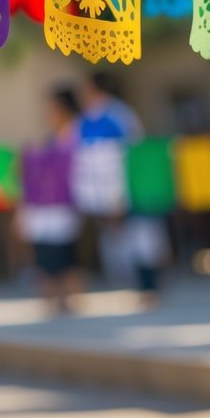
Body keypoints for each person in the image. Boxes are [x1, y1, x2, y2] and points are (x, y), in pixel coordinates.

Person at [78, 71, 167, 303]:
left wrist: (119, 193)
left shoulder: (119, 115)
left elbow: (133, 152)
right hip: (101, 190)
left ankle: (149, 284)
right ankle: (131, 286)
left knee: (142, 237)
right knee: (117, 241)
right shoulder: (86, 119)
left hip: (127, 187)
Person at [19, 85, 83, 313]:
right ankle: (53, 298)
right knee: (46, 253)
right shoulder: (54, 138)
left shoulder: (77, 135)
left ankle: (70, 297)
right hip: (46, 206)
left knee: (65, 252)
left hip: (65, 204)